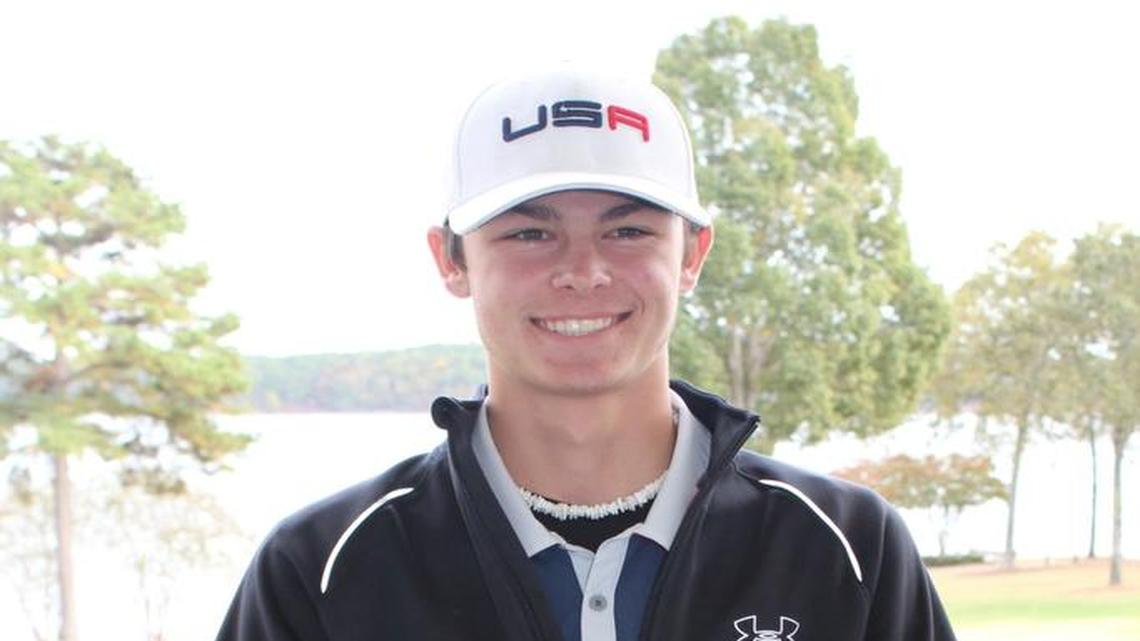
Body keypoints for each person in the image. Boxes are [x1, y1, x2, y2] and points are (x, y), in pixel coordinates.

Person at [216, 67, 956, 641]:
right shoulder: (325, 568)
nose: (583, 271)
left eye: (627, 230)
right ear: (452, 259)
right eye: (529, 233)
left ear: (692, 254)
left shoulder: (844, 548)